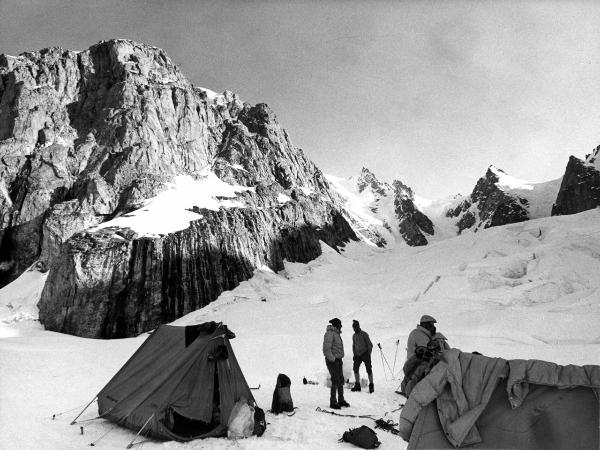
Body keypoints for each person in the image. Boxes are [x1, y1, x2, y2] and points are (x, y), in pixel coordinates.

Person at [323, 318, 349, 409]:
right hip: (333, 360)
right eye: (340, 325)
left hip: (338, 359)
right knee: (335, 380)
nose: (341, 326)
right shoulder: (330, 334)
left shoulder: (336, 334)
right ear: (336, 325)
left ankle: (341, 400)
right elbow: (326, 349)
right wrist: (332, 359)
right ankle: (333, 402)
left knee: (340, 379)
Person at [350, 320, 374, 393]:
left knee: (369, 369)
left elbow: (370, 345)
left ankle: (371, 385)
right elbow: (354, 345)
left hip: (365, 354)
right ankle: (357, 385)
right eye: (353, 328)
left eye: (356, 327)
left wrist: (368, 354)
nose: (354, 329)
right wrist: (354, 354)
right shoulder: (354, 336)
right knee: (355, 369)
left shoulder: (364, 334)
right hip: (357, 355)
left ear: (358, 326)